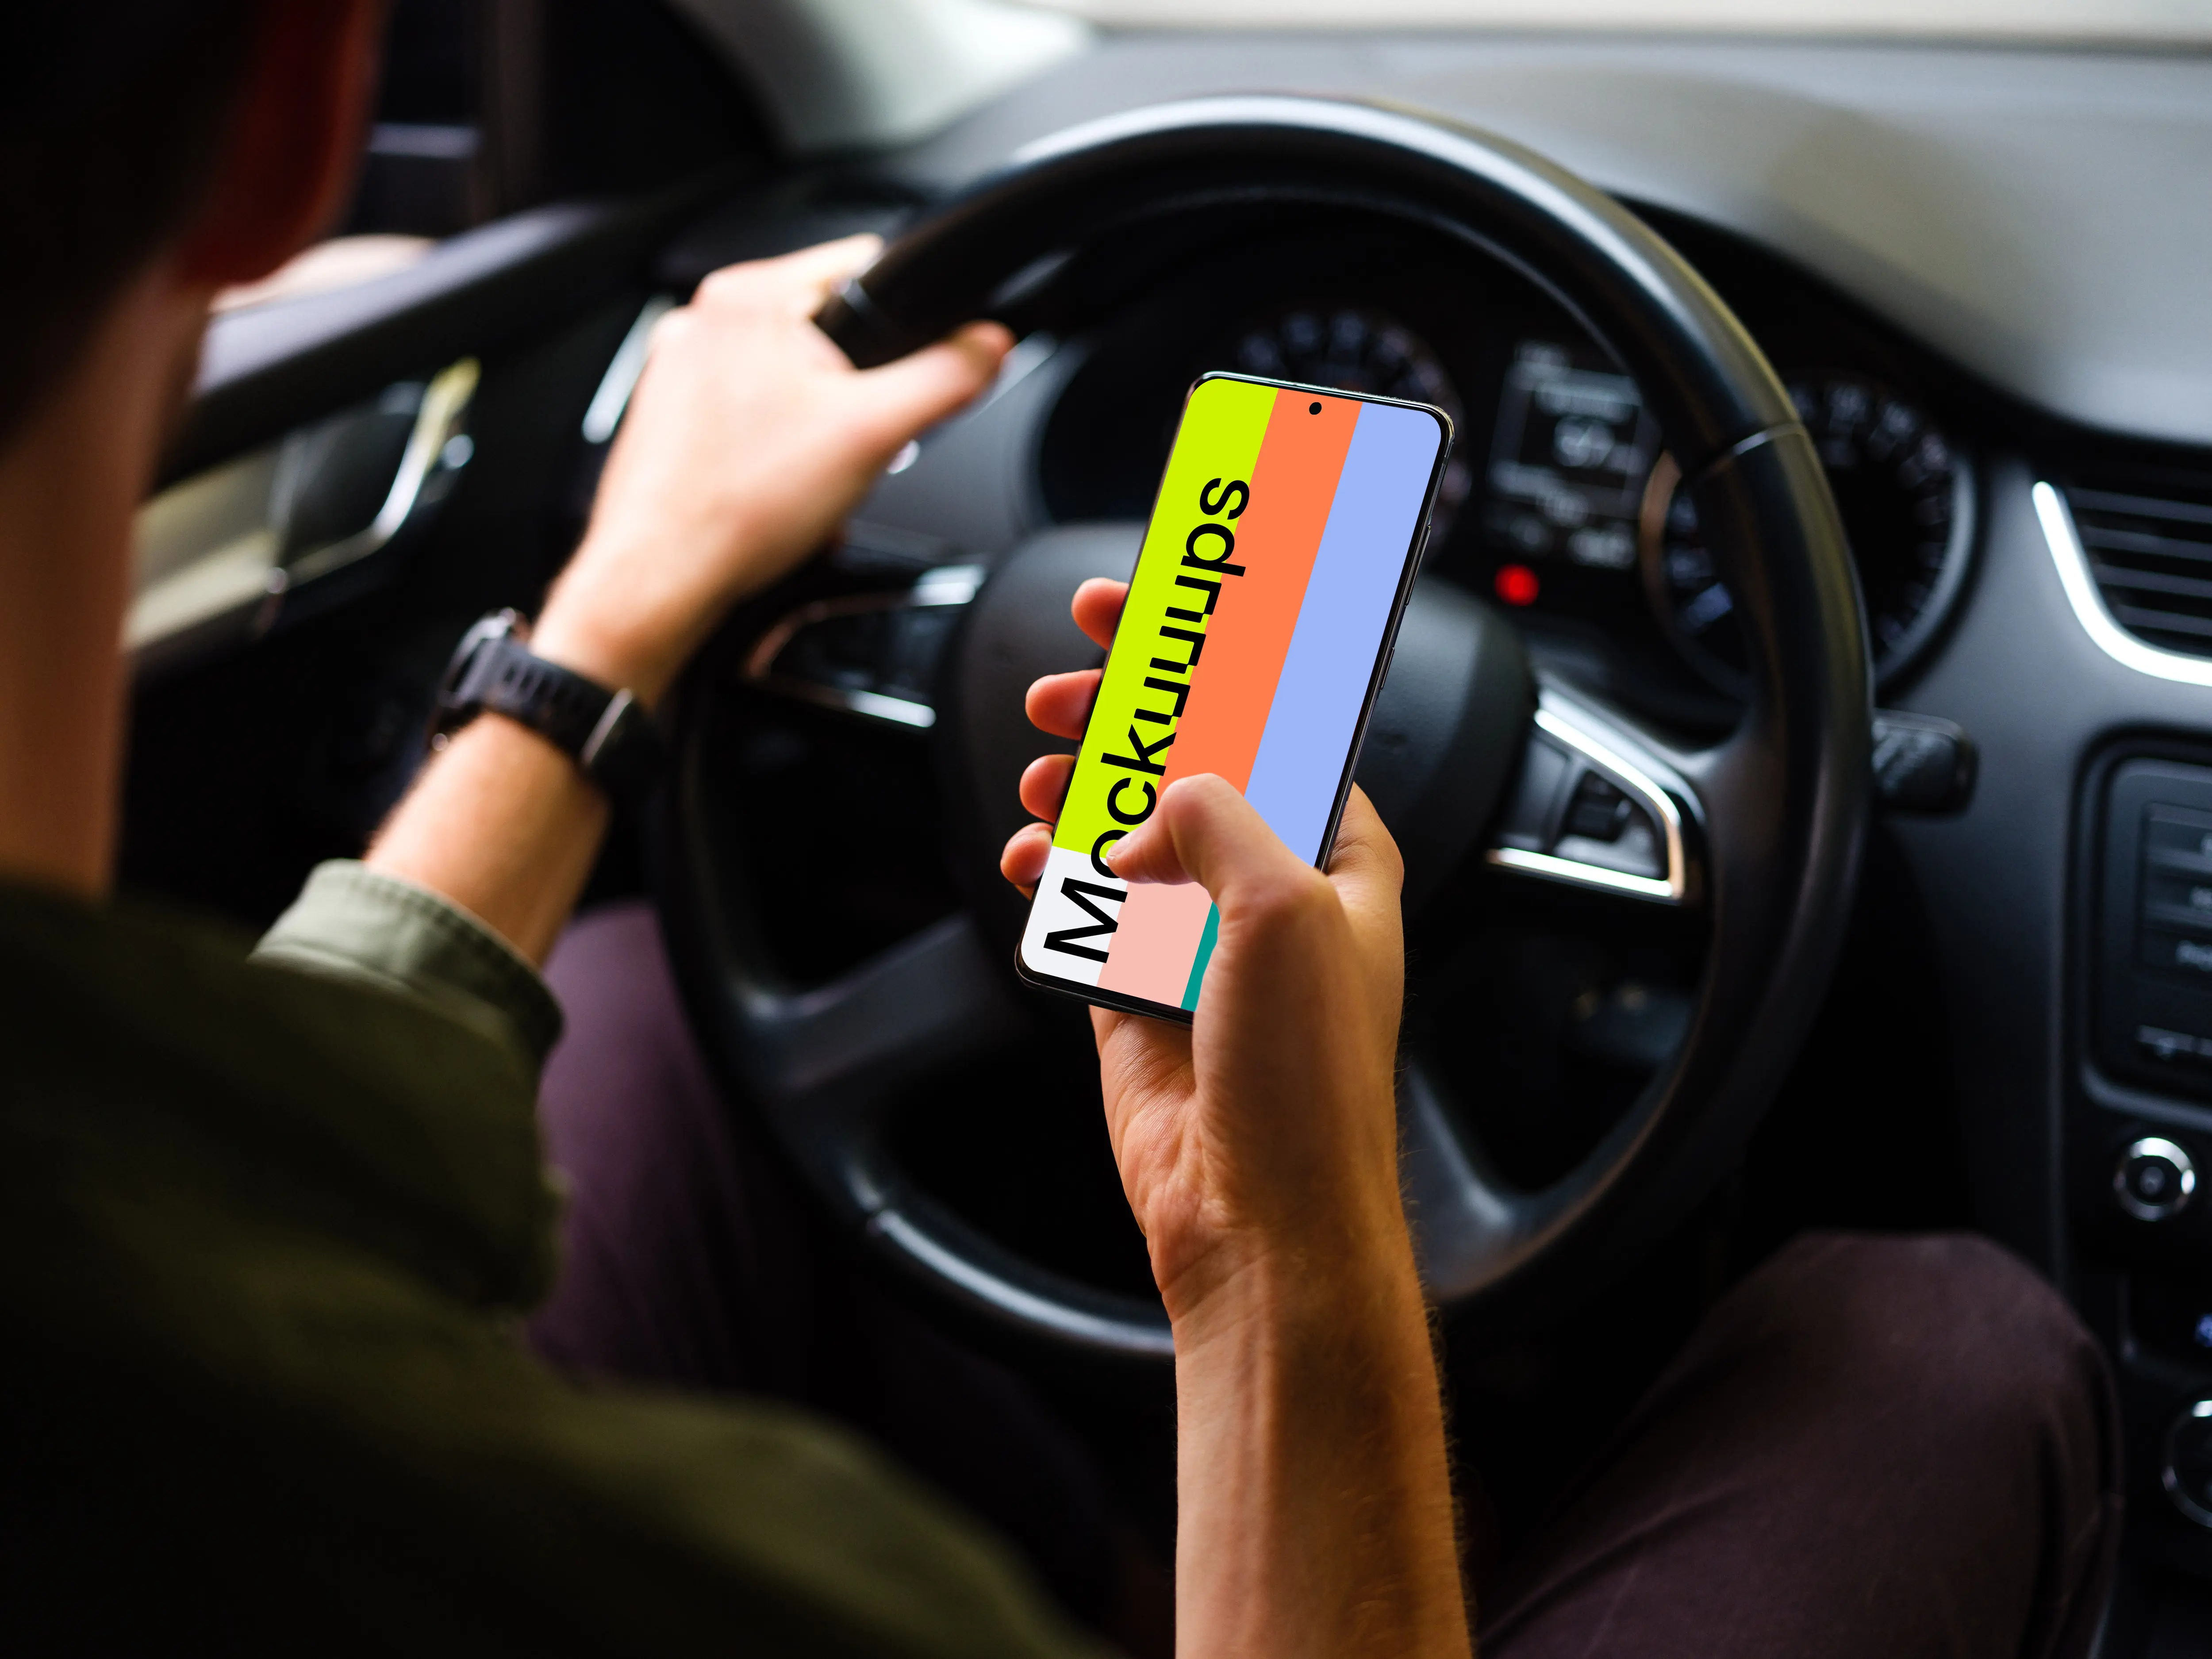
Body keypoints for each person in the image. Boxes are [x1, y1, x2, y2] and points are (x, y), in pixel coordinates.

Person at [0, 4, 2120, 1656]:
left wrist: (612, 618)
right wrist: (1276, 1257)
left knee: (636, 999)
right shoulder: (750, 1584)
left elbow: (260, 1168)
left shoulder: (153, 1267)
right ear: (300, 106)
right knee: (1934, 1360)